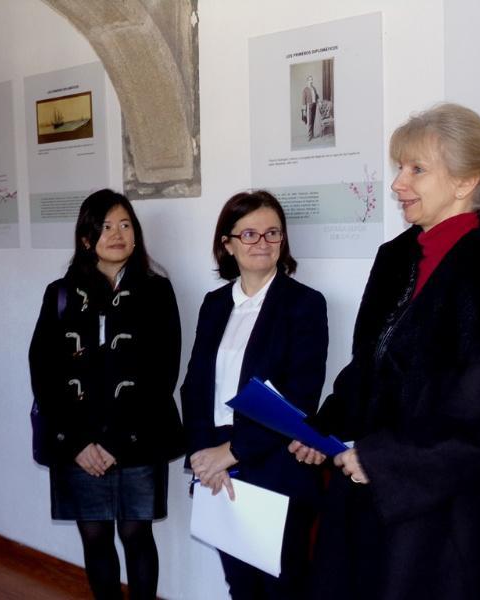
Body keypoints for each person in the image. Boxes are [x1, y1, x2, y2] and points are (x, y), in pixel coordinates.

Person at [290, 103, 480, 599]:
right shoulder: (396, 258)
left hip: (449, 515)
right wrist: (324, 428)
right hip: (373, 491)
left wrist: (384, 460)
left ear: (465, 182)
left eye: (417, 169)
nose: (398, 183)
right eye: (401, 167)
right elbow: (368, 365)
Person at [29, 189, 184, 600]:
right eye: (106, 226)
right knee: (95, 536)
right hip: (77, 440)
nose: (117, 234)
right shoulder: (59, 293)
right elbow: (43, 371)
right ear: (86, 238)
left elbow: (163, 373)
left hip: (138, 435)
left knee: (137, 534)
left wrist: (117, 441)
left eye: (125, 225)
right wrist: (78, 443)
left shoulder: (157, 291)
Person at [181, 190, 328, 599]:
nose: (262, 243)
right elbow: (194, 386)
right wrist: (203, 456)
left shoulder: (304, 304)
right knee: (241, 587)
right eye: (249, 234)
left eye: (272, 233)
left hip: (275, 463)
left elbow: (299, 398)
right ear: (227, 244)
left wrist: (233, 451)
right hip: (217, 466)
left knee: (283, 588)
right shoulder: (214, 304)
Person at [301, 75, 320, 141]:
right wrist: (304, 110)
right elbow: (303, 100)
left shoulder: (314, 88)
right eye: (309, 80)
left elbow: (317, 96)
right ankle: (309, 136)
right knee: (309, 121)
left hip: (314, 105)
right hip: (309, 106)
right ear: (307, 81)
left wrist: (318, 101)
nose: (311, 81)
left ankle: (312, 135)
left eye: (312, 79)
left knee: (313, 120)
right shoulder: (305, 90)